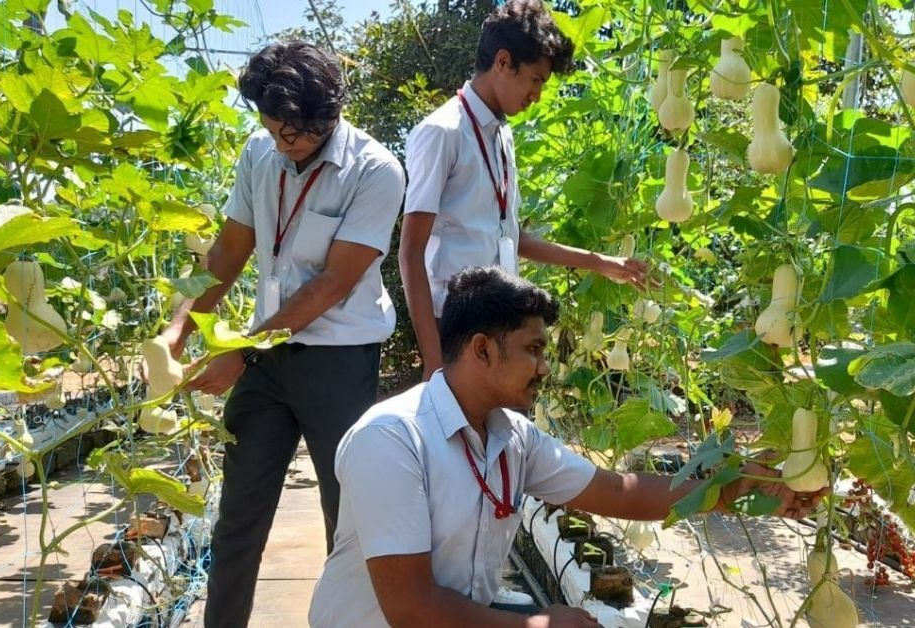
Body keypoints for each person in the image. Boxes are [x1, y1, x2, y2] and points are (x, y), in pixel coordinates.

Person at [308, 267, 828, 627]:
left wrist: (742, 486)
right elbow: (411, 609)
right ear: (482, 350)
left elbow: (619, 493)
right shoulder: (393, 438)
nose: (544, 367)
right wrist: (536, 623)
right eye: (533, 350)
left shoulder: (512, 437)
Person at [159, 41, 405, 627]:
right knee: (238, 516)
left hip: (339, 360)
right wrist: (177, 328)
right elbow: (228, 250)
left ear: (329, 117)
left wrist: (238, 355)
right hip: (267, 354)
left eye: (292, 135)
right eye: (270, 130)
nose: (280, 145)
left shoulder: (375, 171)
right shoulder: (260, 156)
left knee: (346, 518)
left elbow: (332, 285)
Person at [401, 0, 650, 381]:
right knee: (459, 437)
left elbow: (511, 237)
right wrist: (435, 362)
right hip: (455, 324)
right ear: (503, 62)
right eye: (535, 79)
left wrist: (601, 263)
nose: (537, 94)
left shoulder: (503, 135)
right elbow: (411, 250)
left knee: (505, 434)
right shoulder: (443, 132)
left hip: (503, 317)